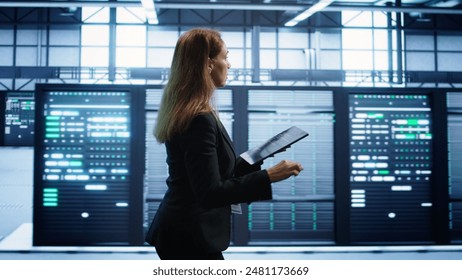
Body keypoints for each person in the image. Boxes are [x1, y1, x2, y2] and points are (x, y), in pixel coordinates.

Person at [145, 28, 303, 260]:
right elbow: (210, 192)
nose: (228, 65)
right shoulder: (199, 119)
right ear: (208, 64)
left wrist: (260, 156)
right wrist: (268, 175)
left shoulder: (193, 112)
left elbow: (213, 175)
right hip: (188, 236)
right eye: (225, 57)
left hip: (184, 232)